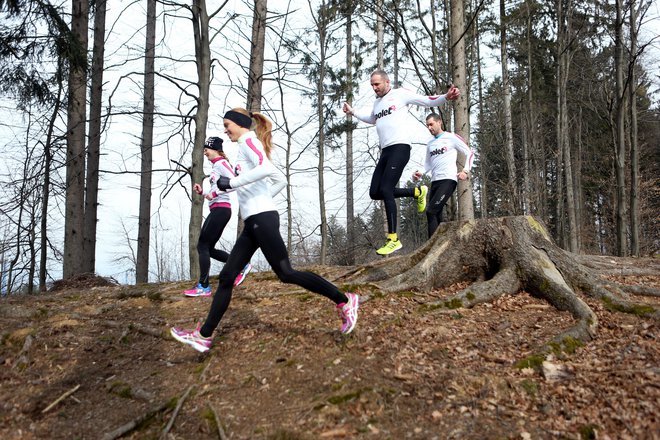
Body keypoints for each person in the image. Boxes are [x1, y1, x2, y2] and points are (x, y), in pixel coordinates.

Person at [171, 108, 359, 353]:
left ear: (239, 124)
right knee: (228, 277)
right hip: (254, 221)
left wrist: (242, 188)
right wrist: (251, 195)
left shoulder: (248, 140)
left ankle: (345, 301)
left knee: (286, 272)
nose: (225, 129)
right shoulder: (243, 148)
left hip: (262, 219)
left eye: (227, 124)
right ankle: (204, 336)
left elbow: (267, 169)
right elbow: (279, 179)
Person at [342, 69, 460, 255]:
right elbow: (371, 119)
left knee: (387, 189)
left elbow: (427, 100)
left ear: (387, 82)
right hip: (386, 151)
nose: (374, 88)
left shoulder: (399, 94)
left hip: (400, 148)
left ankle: (393, 239)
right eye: (372, 85)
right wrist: (353, 112)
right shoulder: (377, 103)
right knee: (375, 192)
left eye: (377, 84)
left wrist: (446, 96)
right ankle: (416, 191)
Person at [182, 136, 252, 297]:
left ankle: (204, 286)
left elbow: (234, 183)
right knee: (208, 249)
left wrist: (214, 192)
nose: (205, 153)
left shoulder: (221, 164)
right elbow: (217, 190)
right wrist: (204, 192)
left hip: (222, 209)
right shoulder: (216, 167)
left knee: (202, 246)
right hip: (218, 209)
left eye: (207, 149)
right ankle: (241, 264)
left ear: (215, 149)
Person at [412, 113, 474, 238]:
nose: (429, 128)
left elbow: (470, 153)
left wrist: (465, 171)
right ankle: (441, 247)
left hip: (448, 181)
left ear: (439, 122)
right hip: (435, 182)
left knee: (430, 211)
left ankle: (431, 248)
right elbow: (428, 164)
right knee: (436, 216)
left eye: (431, 124)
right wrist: (420, 173)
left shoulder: (451, 137)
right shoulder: (430, 144)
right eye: (427, 125)